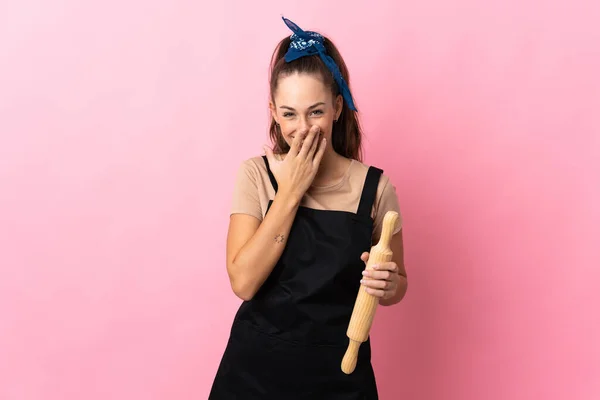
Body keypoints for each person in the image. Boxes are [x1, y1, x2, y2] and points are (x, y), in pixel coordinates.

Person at [208, 16, 408, 400]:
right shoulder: (256, 175)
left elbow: (398, 286)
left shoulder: (375, 188)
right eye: (288, 114)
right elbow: (243, 283)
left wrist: (389, 284)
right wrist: (291, 190)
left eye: (315, 112)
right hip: (253, 376)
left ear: (337, 107)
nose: (302, 128)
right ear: (273, 110)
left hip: (340, 375)